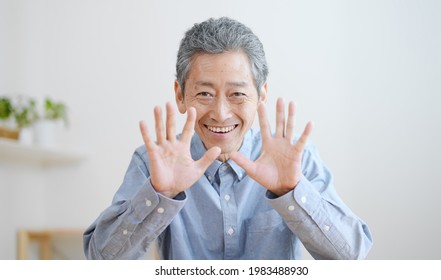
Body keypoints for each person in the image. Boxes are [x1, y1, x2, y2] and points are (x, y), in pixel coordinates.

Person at [83, 17, 372, 260]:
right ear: (180, 95)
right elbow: (101, 259)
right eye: (205, 93)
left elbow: (352, 255)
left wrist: (292, 191)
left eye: (237, 94)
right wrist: (159, 194)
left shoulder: (295, 158)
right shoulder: (154, 162)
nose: (221, 114)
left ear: (261, 95)